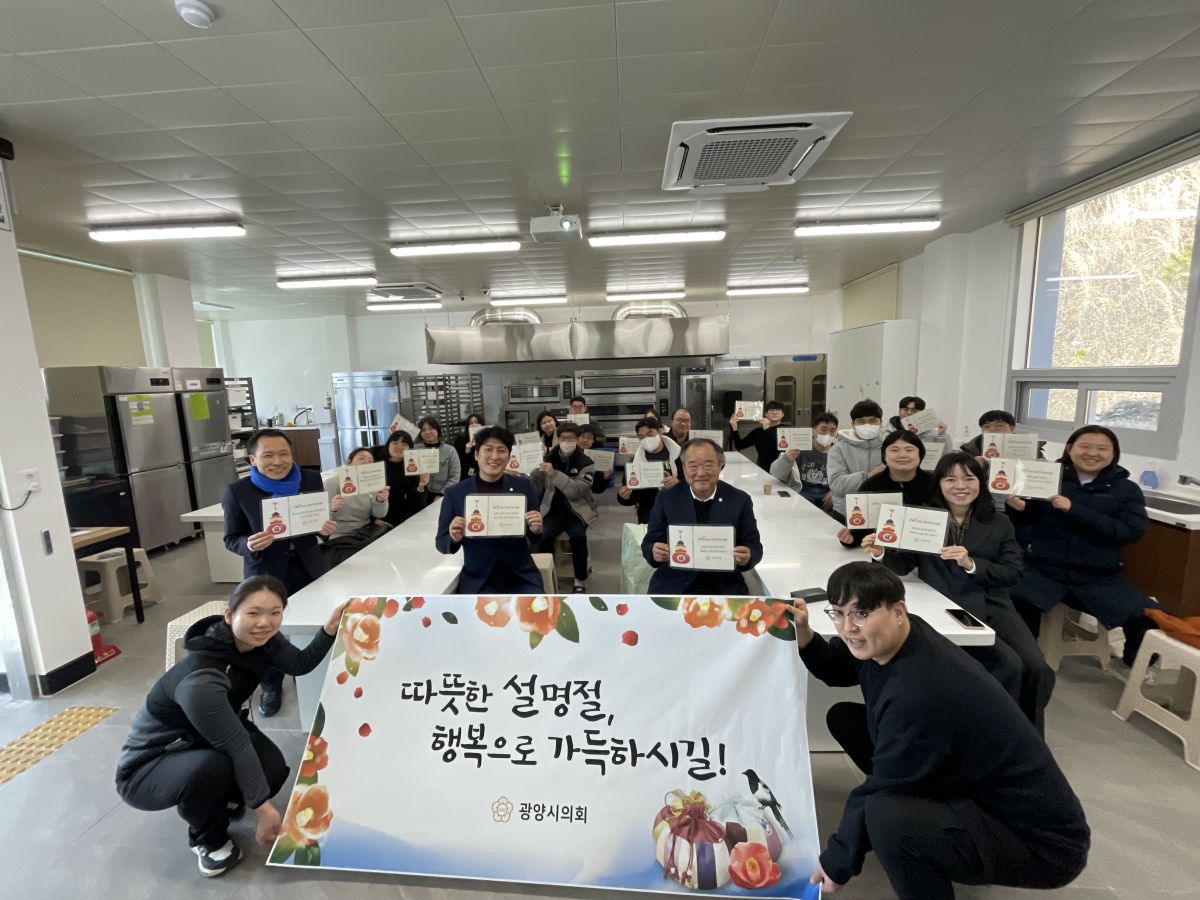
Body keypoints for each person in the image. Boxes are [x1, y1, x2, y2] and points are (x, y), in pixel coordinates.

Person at [792, 562, 1090, 900]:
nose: (848, 628)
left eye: (860, 614)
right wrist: (805, 635)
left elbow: (880, 788)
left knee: (886, 817)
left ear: (898, 611)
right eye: (838, 613)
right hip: (972, 785)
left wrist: (837, 861)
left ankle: (923, 839)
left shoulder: (918, 693)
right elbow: (838, 667)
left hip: (1040, 842)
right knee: (846, 719)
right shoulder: (901, 636)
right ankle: (930, 825)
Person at [115, 576, 347, 877]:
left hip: (203, 739)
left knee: (272, 770)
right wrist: (263, 810)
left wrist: (329, 629)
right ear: (229, 615)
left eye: (275, 612)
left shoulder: (263, 640)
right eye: (253, 613)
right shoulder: (202, 679)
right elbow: (236, 744)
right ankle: (206, 838)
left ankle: (218, 799)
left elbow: (299, 665)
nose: (264, 622)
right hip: (150, 765)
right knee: (213, 768)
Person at [863, 451, 1054, 733]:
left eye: (969, 478)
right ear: (939, 484)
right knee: (1010, 665)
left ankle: (1030, 736)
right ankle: (995, 733)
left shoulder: (999, 522)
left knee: (1038, 668)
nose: (960, 486)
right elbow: (903, 564)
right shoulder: (923, 518)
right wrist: (881, 552)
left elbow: (1012, 572)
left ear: (980, 483)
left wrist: (971, 563)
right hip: (947, 605)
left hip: (993, 603)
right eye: (950, 479)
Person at [1007, 425, 1160, 666]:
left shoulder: (1126, 489)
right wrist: (1019, 509)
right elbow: (1029, 520)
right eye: (1085, 446)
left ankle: (1135, 667)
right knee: (1015, 606)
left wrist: (1074, 509)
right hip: (1042, 571)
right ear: (1070, 449)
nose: (1092, 453)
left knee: (1149, 619)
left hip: (1097, 576)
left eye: (1102, 448)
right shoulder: (1049, 477)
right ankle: (1026, 664)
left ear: (1114, 453)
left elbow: (1131, 531)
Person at [221, 428, 335, 717]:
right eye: (268, 455)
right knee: (268, 632)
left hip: (308, 567)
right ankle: (271, 685)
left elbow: (317, 522)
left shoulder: (310, 479)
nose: (278, 461)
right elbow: (231, 538)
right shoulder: (238, 492)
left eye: (284, 453)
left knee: (311, 623)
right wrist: (249, 544)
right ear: (253, 459)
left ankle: (305, 674)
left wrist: (324, 530)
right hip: (265, 574)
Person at [643, 438, 763, 595]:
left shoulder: (739, 500)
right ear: (684, 468)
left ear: (720, 465)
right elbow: (649, 543)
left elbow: (755, 546)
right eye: (693, 466)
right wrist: (654, 551)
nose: (700, 473)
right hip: (674, 584)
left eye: (708, 465)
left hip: (724, 586)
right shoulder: (667, 498)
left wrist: (748, 556)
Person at [435, 426, 545, 593]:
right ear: (476, 455)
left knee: (535, 608)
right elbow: (441, 544)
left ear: (509, 457)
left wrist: (536, 528)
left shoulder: (523, 486)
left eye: (501, 450)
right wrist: (454, 537)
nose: (495, 456)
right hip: (479, 579)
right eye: (488, 449)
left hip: (520, 576)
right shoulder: (455, 493)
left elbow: (534, 537)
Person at [530, 422, 598, 593]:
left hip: (577, 511)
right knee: (544, 537)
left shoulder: (586, 463)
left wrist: (554, 474)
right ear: (558, 439)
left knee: (578, 537)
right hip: (551, 509)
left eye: (571, 438)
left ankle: (580, 579)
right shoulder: (548, 458)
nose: (567, 442)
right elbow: (537, 485)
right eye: (563, 438)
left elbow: (576, 491)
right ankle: (548, 575)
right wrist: (528, 471)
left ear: (577, 440)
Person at [837, 430, 933, 548]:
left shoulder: (935, 484)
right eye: (894, 450)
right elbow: (860, 531)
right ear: (884, 456)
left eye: (909, 450)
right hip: (883, 552)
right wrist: (850, 537)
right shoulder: (871, 486)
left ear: (920, 455)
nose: (902, 455)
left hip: (925, 550)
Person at [321, 447, 390, 569]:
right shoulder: (333, 483)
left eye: (370, 460)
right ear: (349, 462)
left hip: (365, 532)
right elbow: (321, 518)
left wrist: (381, 500)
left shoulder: (372, 484)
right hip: (341, 535)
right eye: (361, 458)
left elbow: (379, 514)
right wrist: (332, 508)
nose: (366, 462)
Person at [826, 399, 887, 519]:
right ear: (853, 424)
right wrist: (867, 477)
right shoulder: (838, 449)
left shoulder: (890, 446)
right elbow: (836, 484)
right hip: (846, 512)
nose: (867, 425)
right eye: (861, 422)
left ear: (881, 422)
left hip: (883, 511)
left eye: (872, 421)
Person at [617, 416, 681, 524]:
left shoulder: (680, 455)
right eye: (641, 437)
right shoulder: (634, 463)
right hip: (650, 515)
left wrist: (679, 482)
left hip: (678, 510)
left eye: (650, 434)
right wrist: (623, 497)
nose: (646, 439)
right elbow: (632, 496)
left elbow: (693, 482)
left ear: (659, 431)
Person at [769, 412, 838, 512]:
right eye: (823, 430)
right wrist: (787, 459)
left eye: (832, 431)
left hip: (828, 493)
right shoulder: (799, 448)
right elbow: (775, 473)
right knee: (802, 512)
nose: (828, 434)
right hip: (803, 491)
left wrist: (837, 492)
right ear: (813, 431)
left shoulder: (839, 453)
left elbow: (847, 478)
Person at [378, 430, 430, 526]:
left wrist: (421, 486)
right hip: (379, 519)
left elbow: (417, 505)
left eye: (404, 444)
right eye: (395, 443)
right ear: (388, 445)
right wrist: (374, 520)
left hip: (404, 520)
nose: (399, 447)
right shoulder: (376, 464)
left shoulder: (413, 467)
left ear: (410, 448)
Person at [961, 409, 1047, 463]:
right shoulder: (971, 449)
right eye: (986, 426)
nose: (992, 429)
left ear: (1011, 428)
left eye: (999, 425)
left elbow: (1044, 469)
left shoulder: (1027, 445)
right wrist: (973, 466)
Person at [729, 399, 785, 472]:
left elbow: (779, 448)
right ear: (766, 414)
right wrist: (734, 427)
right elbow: (740, 445)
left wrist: (767, 429)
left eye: (778, 410)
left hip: (783, 470)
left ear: (782, 414)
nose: (774, 412)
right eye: (771, 410)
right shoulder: (758, 432)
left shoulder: (787, 430)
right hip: (762, 470)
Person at [416, 416, 461, 498]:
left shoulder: (449, 450)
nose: (427, 432)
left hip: (442, 494)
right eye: (423, 430)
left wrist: (442, 494)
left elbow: (455, 476)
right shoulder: (415, 449)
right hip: (419, 493)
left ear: (437, 430)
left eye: (430, 428)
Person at [577, 424, 612, 494]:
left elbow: (597, 489)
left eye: (589, 438)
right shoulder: (567, 454)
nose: (585, 440)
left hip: (585, 498)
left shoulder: (594, 458)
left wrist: (604, 478)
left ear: (593, 441)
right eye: (583, 436)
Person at [452, 412, 485, 478]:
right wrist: (467, 450)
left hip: (484, 471)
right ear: (467, 426)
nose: (474, 425)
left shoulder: (486, 438)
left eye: (476, 422)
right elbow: (457, 460)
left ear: (481, 425)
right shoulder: (460, 439)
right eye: (471, 423)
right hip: (467, 473)